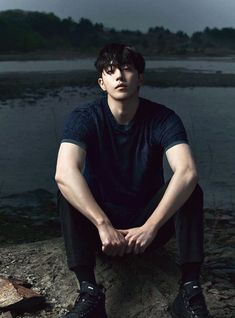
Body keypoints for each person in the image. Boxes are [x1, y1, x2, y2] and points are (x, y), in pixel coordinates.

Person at [55, 43, 212, 318]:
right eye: (111, 71)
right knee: (67, 190)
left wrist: (150, 227)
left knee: (190, 189)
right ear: (101, 82)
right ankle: (89, 291)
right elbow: (64, 172)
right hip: (100, 230)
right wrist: (102, 224)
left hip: (147, 228)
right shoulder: (84, 117)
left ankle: (189, 289)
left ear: (140, 78)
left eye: (127, 69)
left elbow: (186, 171)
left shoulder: (163, 118)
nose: (120, 76)